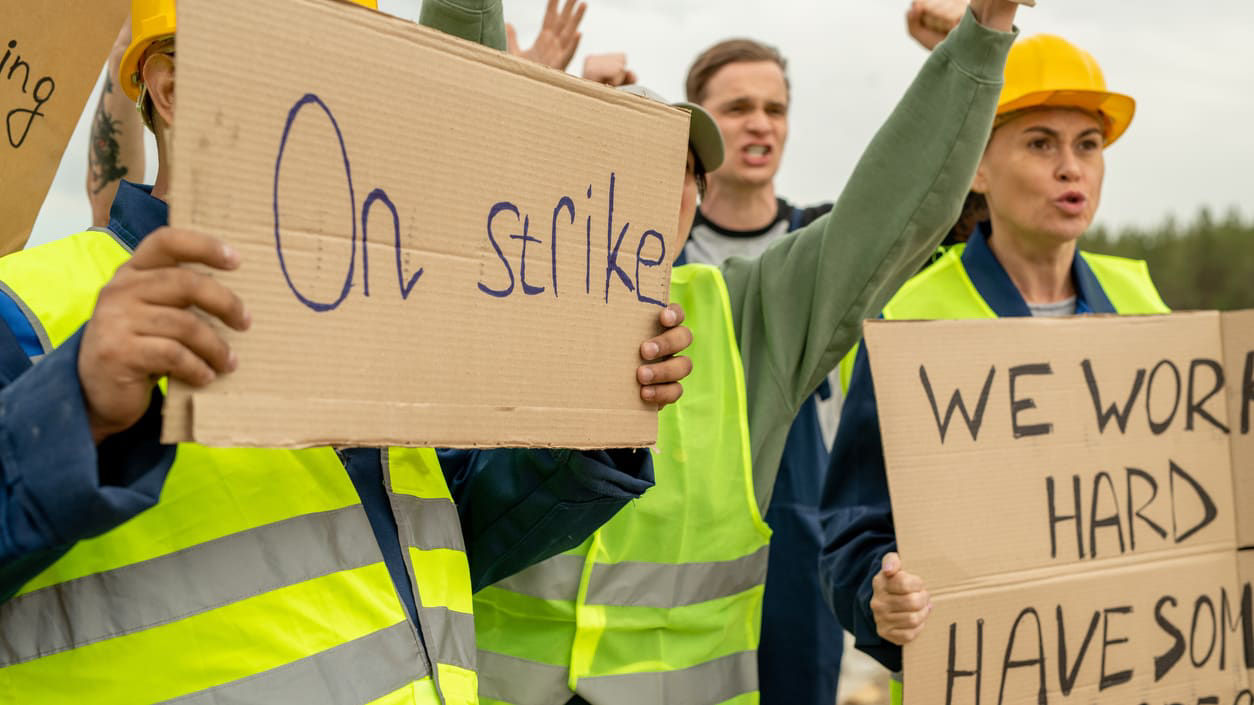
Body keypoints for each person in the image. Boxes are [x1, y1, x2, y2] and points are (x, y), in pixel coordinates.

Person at [0, 1, 695, 702]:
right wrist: (71, 409)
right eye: (307, 54)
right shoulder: (27, 306)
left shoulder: (374, 298)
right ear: (174, 89)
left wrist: (596, 418)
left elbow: (435, 548)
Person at [472, 3, 1023, 704]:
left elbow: (895, 205)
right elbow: (457, 152)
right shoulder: (499, 302)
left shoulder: (747, 316)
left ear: (695, 199)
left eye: (674, 165)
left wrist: (985, 28)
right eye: (616, 155)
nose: (642, 183)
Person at [818, 33, 1169, 705]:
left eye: (1088, 145)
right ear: (977, 166)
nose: (1071, 168)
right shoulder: (911, 321)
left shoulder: (1147, 311)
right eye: (1041, 143)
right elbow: (853, 532)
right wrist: (877, 599)